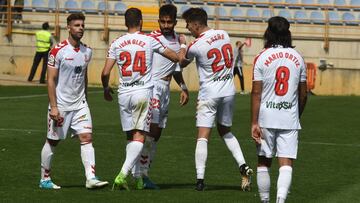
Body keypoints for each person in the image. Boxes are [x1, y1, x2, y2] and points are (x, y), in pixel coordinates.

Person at [101, 7, 179, 191]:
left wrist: (105, 88)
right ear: (141, 21)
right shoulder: (149, 40)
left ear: (125, 23)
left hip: (124, 94)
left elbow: (105, 72)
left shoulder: (116, 42)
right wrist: (182, 48)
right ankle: (123, 174)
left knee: (131, 137)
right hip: (143, 93)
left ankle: (137, 178)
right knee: (140, 136)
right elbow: (174, 57)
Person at [179, 7, 253, 191]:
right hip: (228, 91)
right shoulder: (224, 34)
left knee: (203, 137)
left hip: (209, 94)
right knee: (225, 130)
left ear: (196, 24)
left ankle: (200, 180)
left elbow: (181, 61)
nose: (187, 27)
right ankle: (243, 165)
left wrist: (182, 44)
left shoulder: (194, 45)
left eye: (188, 23)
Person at [39, 13, 109, 190]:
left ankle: (91, 177)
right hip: (61, 106)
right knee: (52, 141)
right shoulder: (57, 51)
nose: (81, 28)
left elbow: (83, 76)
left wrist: (85, 98)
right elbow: (51, 80)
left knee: (87, 138)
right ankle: (44, 179)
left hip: (80, 105)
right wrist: (54, 107)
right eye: (77, 25)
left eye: (82, 25)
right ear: (68, 27)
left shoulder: (87, 52)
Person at [131, 3, 189, 190]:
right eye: (162, 22)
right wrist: (183, 45)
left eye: (169, 22)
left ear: (174, 22)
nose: (165, 25)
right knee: (150, 132)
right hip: (152, 87)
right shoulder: (151, 39)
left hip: (165, 89)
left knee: (157, 135)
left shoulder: (176, 39)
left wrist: (183, 87)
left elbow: (176, 69)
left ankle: (144, 173)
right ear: (158, 21)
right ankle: (138, 173)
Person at [251, 16, 307, 203]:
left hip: (266, 117)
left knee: (263, 162)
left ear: (269, 33)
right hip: (289, 117)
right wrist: (296, 114)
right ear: (288, 34)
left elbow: (256, 93)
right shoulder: (298, 58)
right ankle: (280, 200)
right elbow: (304, 94)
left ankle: (265, 200)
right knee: (286, 163)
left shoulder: (261, 57)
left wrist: (254, 122)